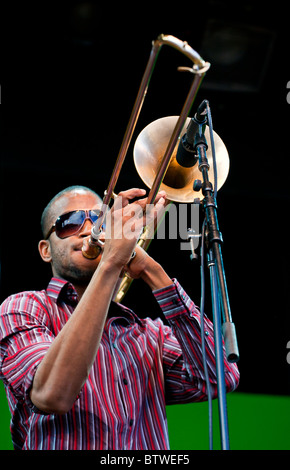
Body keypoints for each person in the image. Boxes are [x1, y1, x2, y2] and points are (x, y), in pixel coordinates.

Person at [0, 185, 239, 450]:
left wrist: (149, 268)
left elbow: (221, 377)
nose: (89, 228)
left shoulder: (150, 335)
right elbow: (52, 395)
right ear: (46, 250)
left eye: (100, 220)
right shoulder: (23, 308)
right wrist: (111, 263)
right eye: (69, 222)